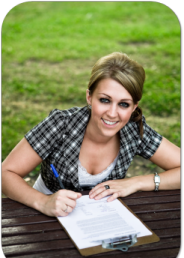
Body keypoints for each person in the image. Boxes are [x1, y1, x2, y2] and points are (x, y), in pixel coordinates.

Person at [2, 52, 180, 217]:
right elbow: (6, 173)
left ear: (134, 106)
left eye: (123, 104)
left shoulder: (133, 129)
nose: (112, 113)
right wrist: (43, 202)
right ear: (89, 97)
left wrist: (137, 182)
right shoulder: (61, 124)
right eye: (105, 100)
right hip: (43, 216)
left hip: (100, 219)